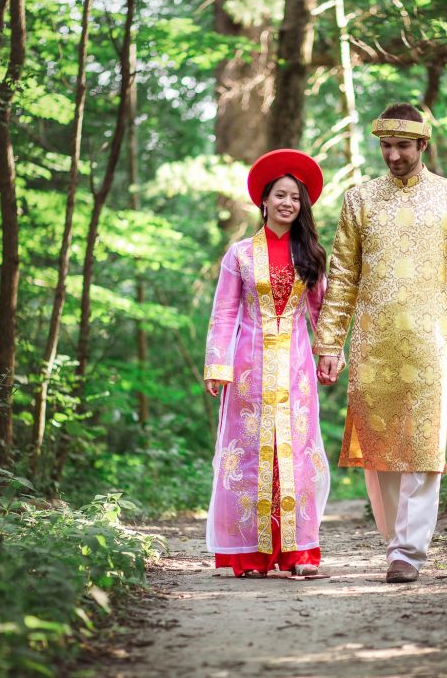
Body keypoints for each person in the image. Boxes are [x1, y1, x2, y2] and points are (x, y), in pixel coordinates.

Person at [314, 104, 447, 583]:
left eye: (402, 146)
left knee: (423, 447)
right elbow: (343, 276)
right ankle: (395, 542)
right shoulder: (359, 201)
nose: (393, 155)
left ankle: (409, 553)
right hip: (372, 342)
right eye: (386, 146)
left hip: (430, 341)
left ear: (423, 146)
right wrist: (328, 343)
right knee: (378, 451)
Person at [203, 149, 331, 578]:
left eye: (295, 198)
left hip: (296, 370)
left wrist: (330, 354)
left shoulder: (309, 254)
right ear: (264, 201)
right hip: (247, 372)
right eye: (280, 195)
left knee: (294, 451)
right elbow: (223, 312)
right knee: (254, 454)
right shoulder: (239, 254)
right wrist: (216, 365)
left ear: (302, 205)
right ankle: (250, 556)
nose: (288, 203)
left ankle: (297, 554)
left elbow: (323, 313)